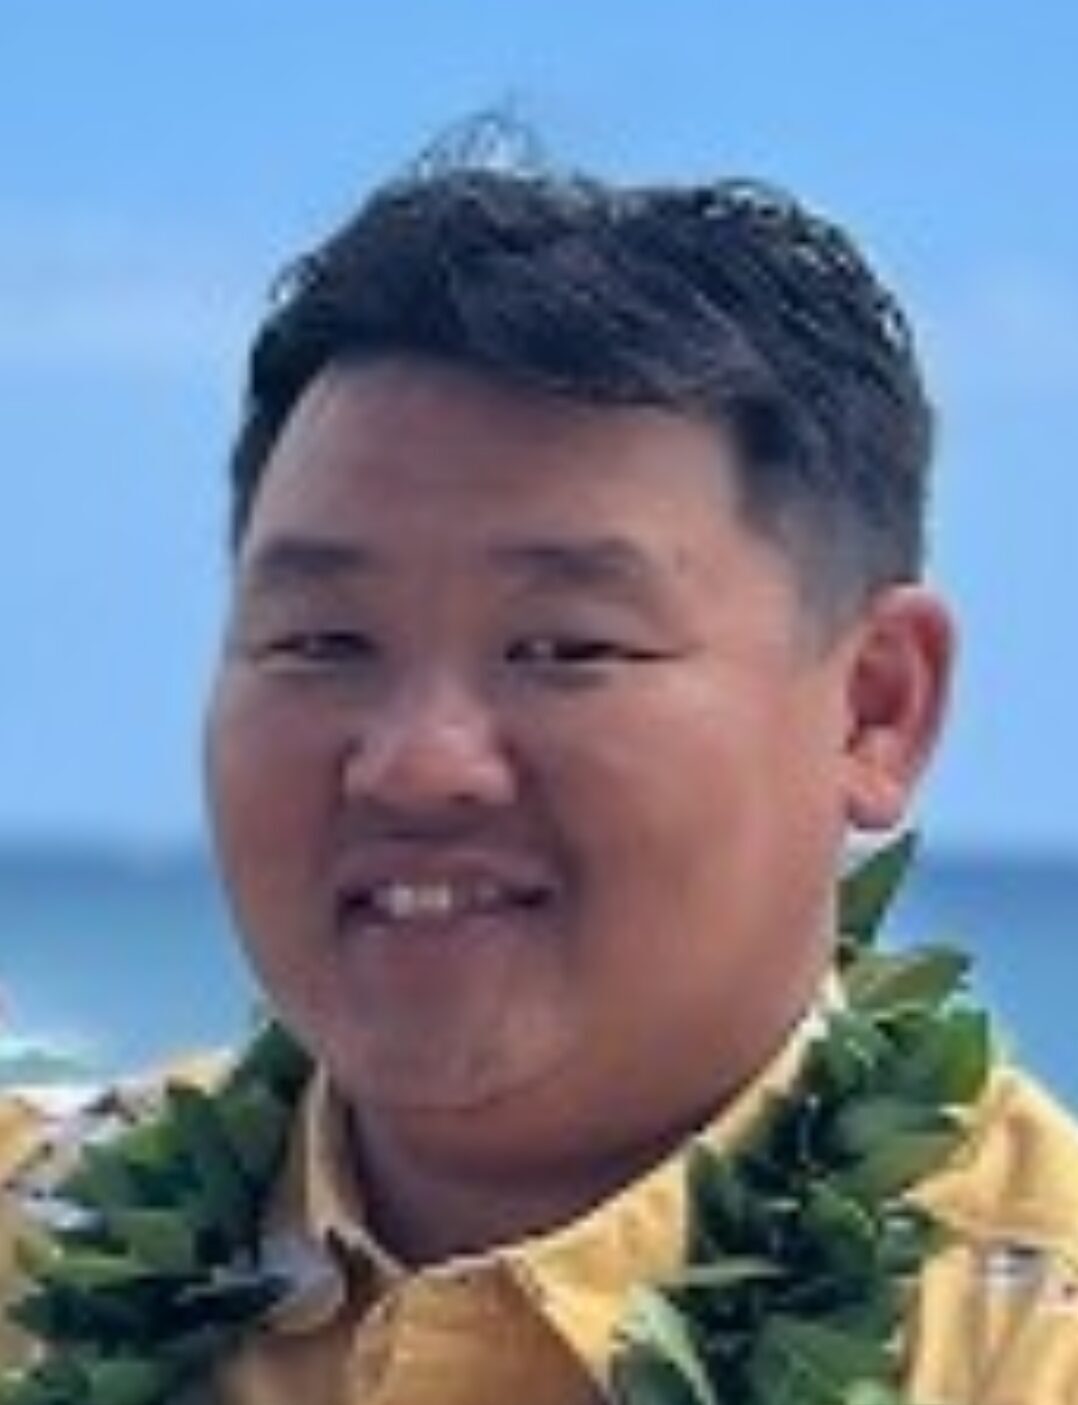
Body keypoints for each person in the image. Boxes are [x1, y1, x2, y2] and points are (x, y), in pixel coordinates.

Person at [4, 137, 1078, 1405]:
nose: (415, 764)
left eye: (564, 646)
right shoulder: (41, 1242)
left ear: (873, 708)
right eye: (321, 642)